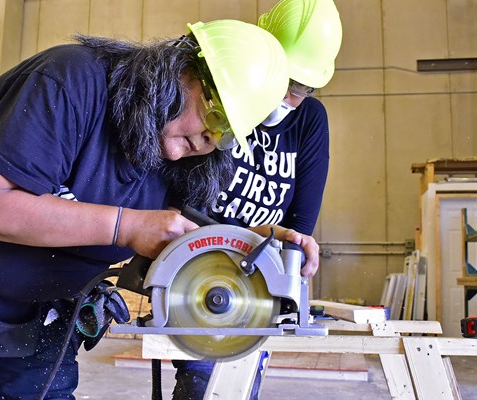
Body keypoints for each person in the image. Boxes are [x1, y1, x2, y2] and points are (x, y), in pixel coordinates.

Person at [0, 19, 291, 400]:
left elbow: (186, 238)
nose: (204, 143)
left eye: (225, 136)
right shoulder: (71, 81)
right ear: (181, 71)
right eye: (212, 117)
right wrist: (126, 226)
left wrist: (259, 245)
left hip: (42, 302)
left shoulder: (192, 161)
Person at [170, 1, 343, 399]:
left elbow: (299, 223)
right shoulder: (224, 98)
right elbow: (182, 201)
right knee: (202, 381)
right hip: (201, 266)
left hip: (259, 276)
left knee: (241, 382)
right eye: (282, 80)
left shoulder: (310, 120)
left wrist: (292, 250)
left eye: (297, 90)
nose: (284, 96)